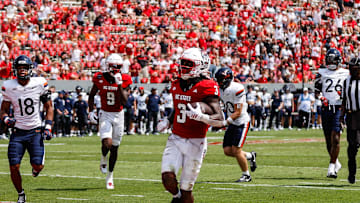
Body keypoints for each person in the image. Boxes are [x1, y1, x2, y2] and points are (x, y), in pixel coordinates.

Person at [157, 48, 223, 203]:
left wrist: (202, 117)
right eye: (183, 63)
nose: (184, 67)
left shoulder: (207, 85)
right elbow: (179, 106)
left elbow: (220, 119)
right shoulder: (176, 84)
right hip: (176, 137)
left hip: (196, 141)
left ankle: (181, 197)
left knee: (187, 190)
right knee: (167, 177)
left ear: (200, 66)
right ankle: (175, 196)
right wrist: (168, 120)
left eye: (189, 64)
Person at [0, 55, 53, 202]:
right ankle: (21, 194)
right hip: (17, 132)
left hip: (35, 131)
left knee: (38, 165)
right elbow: (3, 109)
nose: (22, 71)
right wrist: (6, 119)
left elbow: (49, 106)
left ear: (30, 69)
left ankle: (36, 169)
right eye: (19, 68)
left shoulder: (40, 83)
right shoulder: (9, 86)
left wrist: (48, 126)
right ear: (15, 70)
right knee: (14, 166)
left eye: (24, 68)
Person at [198, 67, 256, 182]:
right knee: (227, 151)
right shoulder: (220, 89)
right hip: (232, 122)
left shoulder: (237, 88)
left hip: (241, 122)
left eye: (221, 80)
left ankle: (246, 175)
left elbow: (238, 112)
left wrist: (225, 122)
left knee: (237, 150)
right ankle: (250, 156)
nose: (219, 83)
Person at [88, 53, 132, 189]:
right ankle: (103, 157)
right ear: (107, 66)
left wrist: (119, 84)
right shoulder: (99, 77)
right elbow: (91, 95)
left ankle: (110, 176)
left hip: (119, 115)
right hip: (105, 113)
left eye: (118, 67)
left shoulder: (124, 79)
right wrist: (90, 111)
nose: (115, 69)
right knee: (107, 143)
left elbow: (125, 101)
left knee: (115, 148)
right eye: (113, 66)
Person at [314, 48, 348, 178]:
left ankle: (331, 168)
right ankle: (336, 162)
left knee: (336, 138)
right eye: (329, 59)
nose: (331, 61)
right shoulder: (321, 72)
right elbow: (317, 90)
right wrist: (322, 98)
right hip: (326, 108)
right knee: (328, 140)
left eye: (333, 59)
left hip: (338, 108)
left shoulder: (346, 73)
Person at [341, 57, 360, 184]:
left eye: (353, 67)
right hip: (351, 116)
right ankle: (351, 174)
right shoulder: (346, 82)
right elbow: (344, 101)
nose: (351, 69)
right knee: (352, 147)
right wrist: (341, 118)